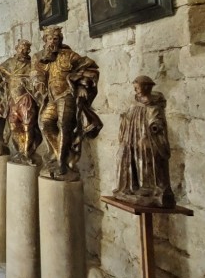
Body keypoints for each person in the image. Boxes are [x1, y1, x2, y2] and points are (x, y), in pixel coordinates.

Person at [34, 26, 102, 180]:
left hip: (67, 95)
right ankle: (61, 153)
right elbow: (36, 75)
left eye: (55, 39)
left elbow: (90, 67)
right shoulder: (42, 59)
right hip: (51, 97)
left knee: (64, 126)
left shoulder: (69, 55)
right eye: (49, 39)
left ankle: (61, 163)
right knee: (45, 123)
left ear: (60, 40)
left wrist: (81, 85)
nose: (52, 42)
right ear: (45, 41)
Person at [113, 76, 174, 208]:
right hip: (131, 137)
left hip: (146, 137)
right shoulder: (134, 102)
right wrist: (124, 119)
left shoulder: (154, 104)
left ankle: (148, 188)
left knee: (145, 156)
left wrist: (155, 126)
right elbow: (127, 116)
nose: (136, 90)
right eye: (135, 88)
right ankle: (129, 186)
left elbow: (157, 120)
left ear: (147, 87)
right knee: (125, 155)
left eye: (138, 87)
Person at [0, 40, 42, 164]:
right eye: (21, 48)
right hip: (13, 99)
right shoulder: (10, 62)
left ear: (28, 50)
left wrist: (29, 80)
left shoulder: (32, 64)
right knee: (13, 126)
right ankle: (20, 151)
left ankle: (27, 153)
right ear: (16, 48)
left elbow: (37, 78)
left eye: (25, 48)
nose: (23, 50)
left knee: (27, 126)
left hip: (26, 98)